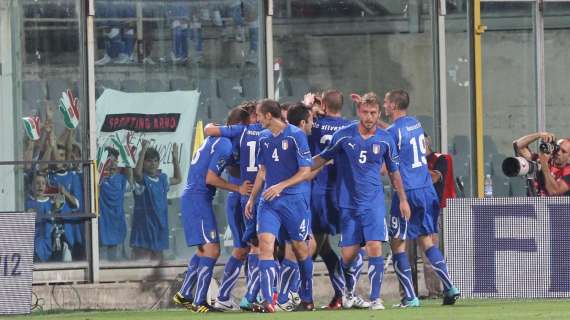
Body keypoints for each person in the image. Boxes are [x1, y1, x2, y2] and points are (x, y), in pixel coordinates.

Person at [312, 92, 410, 311]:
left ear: (378, 113)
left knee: (375, 247)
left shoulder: (386, 139)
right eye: (365, 112)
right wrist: (297, 171)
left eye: (373, 113)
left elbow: (394, 173)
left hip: (373, 203)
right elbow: (321, 159)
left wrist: (403, 200)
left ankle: (376, 298)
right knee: (348, 256)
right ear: (359, 112)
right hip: (348, 204)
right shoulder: (344, 135)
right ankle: (348, 292)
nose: (369, 117)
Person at [383, 89, 460, 307]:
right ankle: (450, 287)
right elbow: (396, 134)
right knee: (427, 240)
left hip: (408, 191)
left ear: (394, 106)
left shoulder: (391, 131)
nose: (384, 105)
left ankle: (410, 297)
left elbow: (389, 165)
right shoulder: (415, 124)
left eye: (387, 102)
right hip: (427, 188)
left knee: (397, 243)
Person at [172, 108, 252, 313]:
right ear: (238, 127)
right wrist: (238, 188)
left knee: (203, 250)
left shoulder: (221, 142)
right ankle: (200, 301)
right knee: (213, 250)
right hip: (197, 199)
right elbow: (210, 178)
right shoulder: (225, 144)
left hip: (196, 198)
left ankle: (185, 294)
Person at [244, 99, 314, 313]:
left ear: (268, 116)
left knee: (301, 250)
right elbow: (263, 171)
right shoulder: (263, 137)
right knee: (266, 245)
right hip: (269, 201)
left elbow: (306, 171)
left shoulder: (296, 135)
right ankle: (269, 302)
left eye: (258, 115)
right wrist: (252, 199)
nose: (255, 119)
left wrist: (281, 186)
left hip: (294, 201)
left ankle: (308, 298)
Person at [306, 90, 368, 309]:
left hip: (316, 190)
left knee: (313, 245)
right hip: (341, 192)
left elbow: (299, 122)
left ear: (323, 104)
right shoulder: (350, 127)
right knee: (340, 245)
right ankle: (344, 293)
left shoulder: (315, 125)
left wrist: (310, 108)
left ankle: (305, 296)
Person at [203, 101, 266, 311]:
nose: (258, 119)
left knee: (248, 247)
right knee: (247, 247)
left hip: (241, 195)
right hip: (243, 195)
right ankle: (228, 296)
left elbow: (209, 129)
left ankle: (249, 294)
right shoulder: (245, 131)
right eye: (255, 115)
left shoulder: (234, 135)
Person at [130, 141, 181, 260]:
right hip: (144, 230)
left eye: (155, 160)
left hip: (159, 229)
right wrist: (143, 150)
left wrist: (175, 159)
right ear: (143, 163)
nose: (152, 164)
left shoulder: (163, 179)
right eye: (149, 161)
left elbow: (178, 179)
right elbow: (137, 173)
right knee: (142, 266)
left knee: (157, 266)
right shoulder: (142, 180)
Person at [98, 147, 132, 261]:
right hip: (101, 222)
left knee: (113, 259)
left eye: (115, 162)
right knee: (100, 260)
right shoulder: (98, 180)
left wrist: (127, 152)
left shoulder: (121, 179)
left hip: (116, 222)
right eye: (109, 161)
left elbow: (131, 180)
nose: (112, 165)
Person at [513, 132, 570, 196]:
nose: (558, 153)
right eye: (558, 148)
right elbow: (518, 145)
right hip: (533, 204)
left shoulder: (568, 171)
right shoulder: (541, 160)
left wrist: (544, 164)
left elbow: (554, 192)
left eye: (564, 151)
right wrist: (540, 135)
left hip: (554, 205)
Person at [25, 173, 55, 262]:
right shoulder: (27, 203)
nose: (40, 186)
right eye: (37, 183)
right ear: (31, 186)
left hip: (49, 246)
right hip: (33, 248)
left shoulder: (51, 203)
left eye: (43, 183)